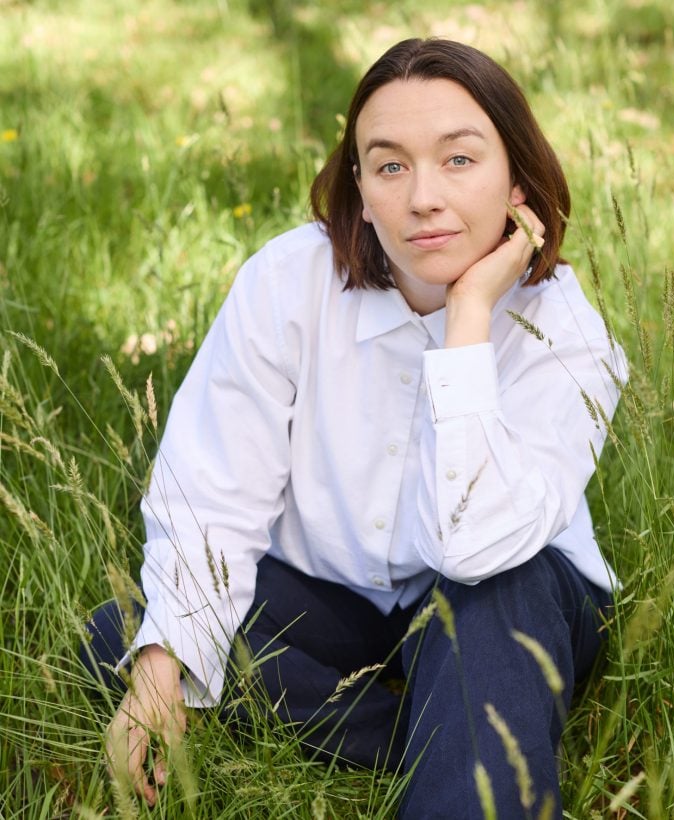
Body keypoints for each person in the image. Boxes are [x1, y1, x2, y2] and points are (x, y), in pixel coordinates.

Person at [80, 37, 627, 818]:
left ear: (518, 178)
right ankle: (461, 734)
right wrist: (164, 671)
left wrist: (469, 319)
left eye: (460, 160)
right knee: (130, 637)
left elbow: (475, 547)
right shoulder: (288, 279)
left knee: (491, 597)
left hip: (507, 593)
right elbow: (214, 489)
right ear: (362, 189)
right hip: (333, 595)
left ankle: (467, 745)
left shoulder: (569, 334)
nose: (423, 198)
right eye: (391, 165)